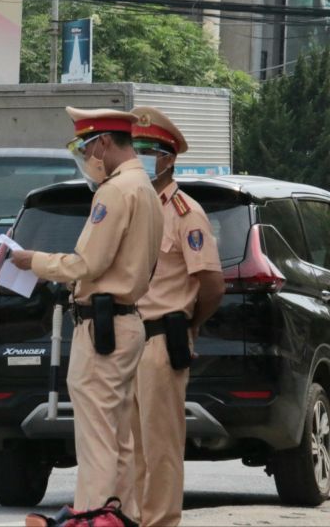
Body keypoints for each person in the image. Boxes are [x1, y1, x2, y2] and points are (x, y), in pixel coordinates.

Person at [12, 107, 163, 518]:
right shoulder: (145, 188)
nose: (86, 156)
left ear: (104, 143)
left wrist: (34, 262)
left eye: (87, 146)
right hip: (125, 322)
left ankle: (93, 519)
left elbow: (87, 265)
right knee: (119, 438)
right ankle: (122, 518)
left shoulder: (115, 191)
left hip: (103, 327)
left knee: (97, 439)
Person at [129, 106, 225, 526]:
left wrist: (190, 323)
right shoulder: (134, 205)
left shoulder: (186, 212)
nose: (141, 158)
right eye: (136, 149)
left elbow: (211, 283)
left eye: (148, 150)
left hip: (161, 341)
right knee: (127, 445)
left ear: (168, 157)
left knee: (160, 444)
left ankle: (161, 521)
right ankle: (131, 517)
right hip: (125, 338)